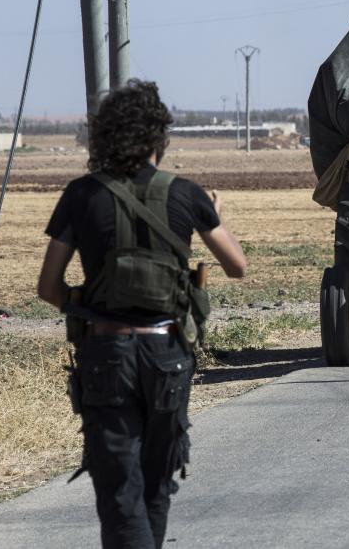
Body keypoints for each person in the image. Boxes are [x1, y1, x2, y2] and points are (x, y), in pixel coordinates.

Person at [37, 81, 248, 549]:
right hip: (167, 351)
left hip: (106, 351)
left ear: (106, 136)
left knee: (119, 490)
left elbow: (48, 287)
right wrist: (211, 214)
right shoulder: (185, 193)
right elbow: (237, 266)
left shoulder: (81, 195)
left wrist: (84, 301)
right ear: (159, 136)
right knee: (158, 479)